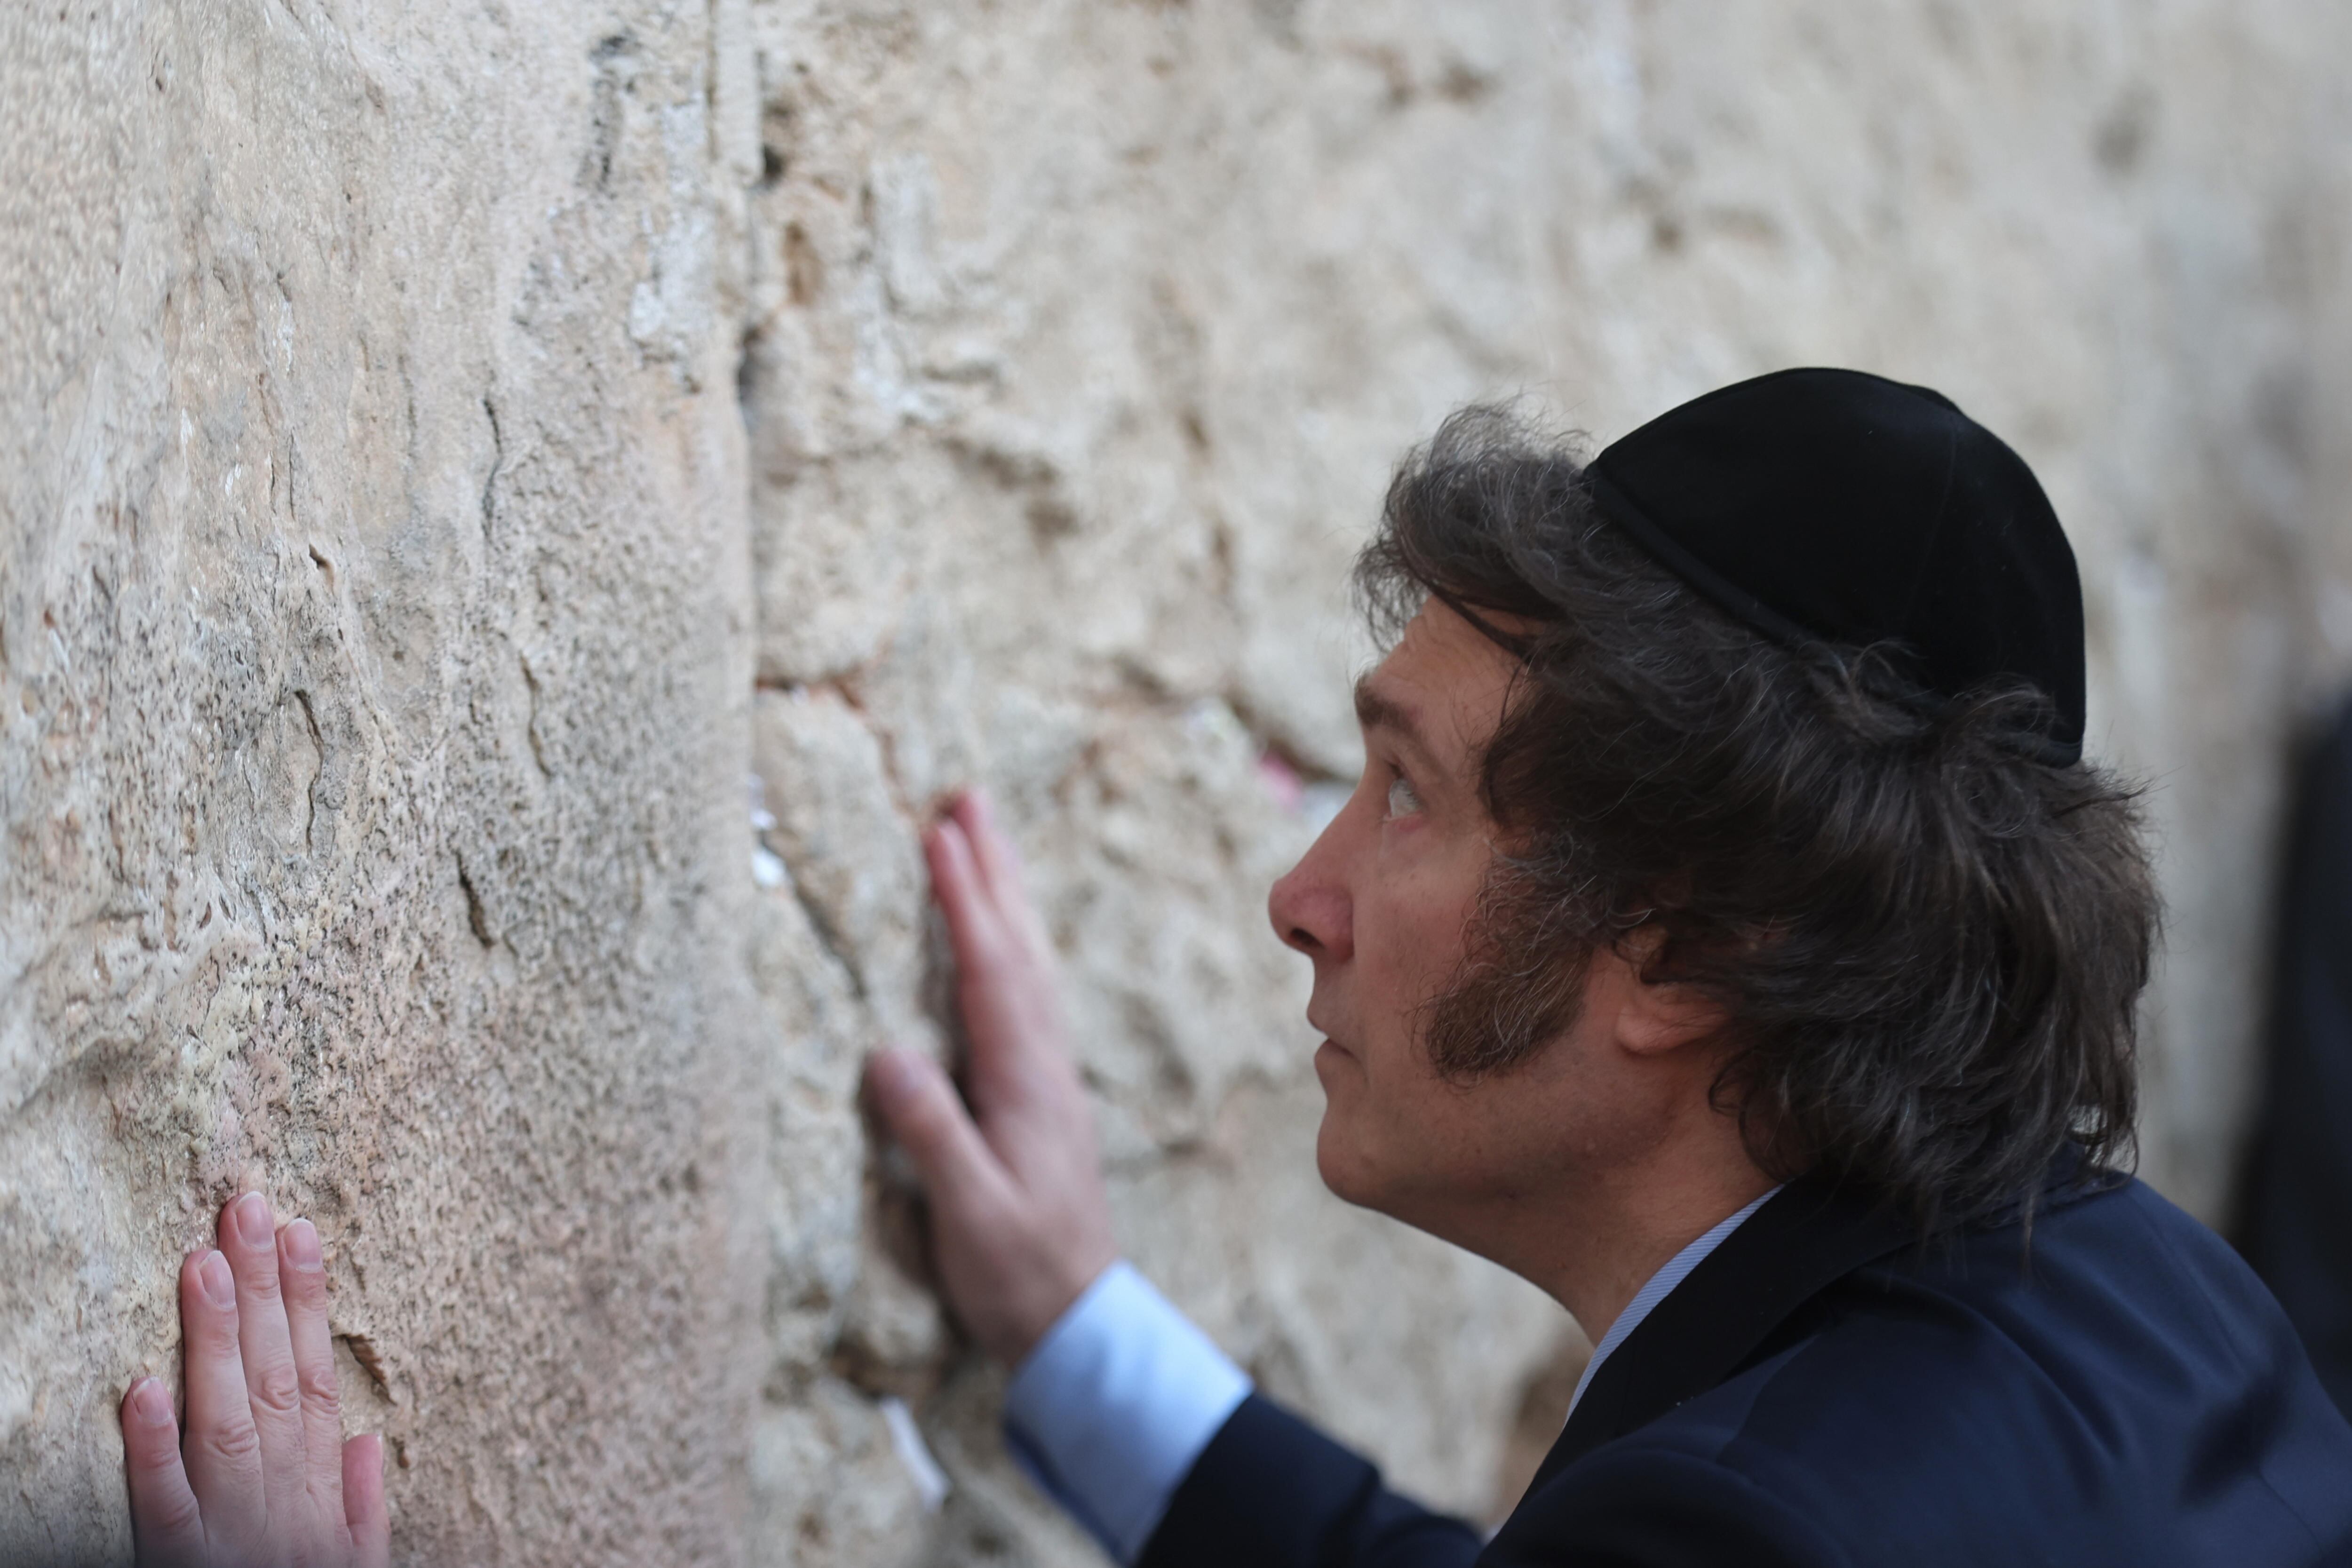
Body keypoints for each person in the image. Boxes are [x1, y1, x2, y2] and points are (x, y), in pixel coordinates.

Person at [120, 372, 2352, 1565]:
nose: (1301, 894)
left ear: (1681, 948)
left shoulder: (1752, 1529)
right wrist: (1068, 1325)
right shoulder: (2135, 1302)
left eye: (1403, 794)